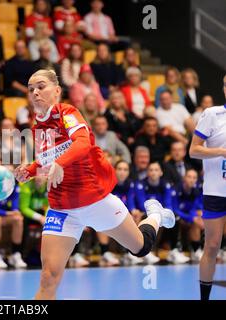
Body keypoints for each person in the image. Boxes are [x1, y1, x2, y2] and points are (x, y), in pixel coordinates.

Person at [14, 69, 175, 299]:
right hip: (62, 208)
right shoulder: (37, 128)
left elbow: (82, 144)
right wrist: (29, 170)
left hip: (95, 201)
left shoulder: (67, 113)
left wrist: (59, 162)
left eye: (41, 86)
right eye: (31, 89)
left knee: (141, 248)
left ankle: (156, 215)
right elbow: (46, 161)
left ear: (57, 91)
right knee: (48, 277)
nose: (35, 92)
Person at [189, 74, 226, 300]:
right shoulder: (213, 114)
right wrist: (221, 151)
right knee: (212, 246)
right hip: (216, 191)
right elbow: (194, 150)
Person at [0, 166, 27, 269]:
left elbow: (15, 206)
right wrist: (9, 213)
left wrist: (15, 212)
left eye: (11, 173)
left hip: (4, 214)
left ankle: (15, 254)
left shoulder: (14, 187)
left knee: (18, 219)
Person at [172, 169, 204, 263]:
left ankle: (196, 251)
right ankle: (175, 250)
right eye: (189, 177)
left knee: (200, 218)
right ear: (184, 178)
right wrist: (191, 217)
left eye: (194, 178)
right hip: (178, 217)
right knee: (176, 218)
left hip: (189, 217)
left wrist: (196, 216)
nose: (191, 180)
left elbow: (195, 208)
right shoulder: (176, 189)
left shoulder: (196, 191)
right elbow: (175, 209)